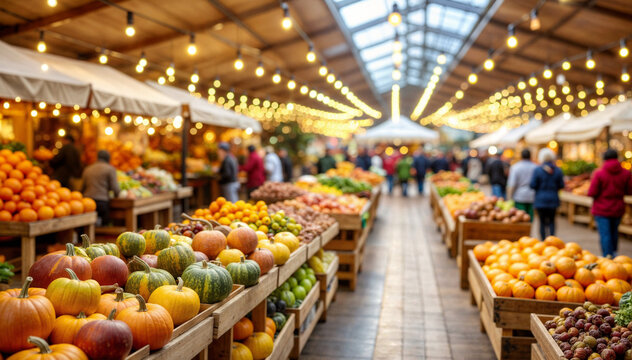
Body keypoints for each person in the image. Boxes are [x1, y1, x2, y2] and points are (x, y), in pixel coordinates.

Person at [588, 149, 632, 257]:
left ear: (604, 159)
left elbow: (592, 192)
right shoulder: (626, 173)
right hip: (618, 208)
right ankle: (614, 253)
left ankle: (607, 257)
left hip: (601, 209)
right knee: (614, 232)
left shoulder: (599, 173)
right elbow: (630, 191)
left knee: (605, 234)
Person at [530, 148, 565, 240]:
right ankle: (552, 241)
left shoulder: (537, 170)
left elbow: (532, 185)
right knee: (552, 221)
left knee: (542, 222)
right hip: (553, 199)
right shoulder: (558, 170)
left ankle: (543, 242)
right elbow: (561, 185)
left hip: (540, 200)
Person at [81, 150, 120, 226]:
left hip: (87, 202)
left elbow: (82, 188)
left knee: (88, 226)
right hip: (102, 202)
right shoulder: (110, 169)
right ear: (108, 159)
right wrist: (118, 196)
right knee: (104, 225)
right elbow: (115, 188)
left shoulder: (88, 169)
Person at [507, 149, 537, 219]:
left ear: (521, 156)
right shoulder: (535, 167)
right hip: (532, 196)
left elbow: (511, 184)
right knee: (529, 218)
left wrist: (509, 198)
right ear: (530, 156)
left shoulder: (516, 167)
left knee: (520, 218)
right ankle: (529, 230)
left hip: (519, 196)